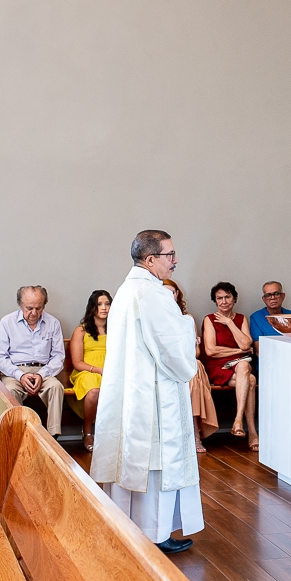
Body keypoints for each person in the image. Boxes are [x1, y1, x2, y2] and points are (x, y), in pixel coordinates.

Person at [90, 230, 203, 554]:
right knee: (156, 465)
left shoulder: (127, 290)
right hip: (154, 398)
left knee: (138, 462)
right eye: (170, 255)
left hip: (134, 393)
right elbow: (173, 352)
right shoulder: (153, 294)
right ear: (150, 259)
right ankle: (154, 534)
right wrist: (187, 324)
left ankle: (130, 529)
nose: (176, 261)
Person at [0, 286, 66, 437]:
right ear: (20, 305)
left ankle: (53, 438)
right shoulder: (7, 322)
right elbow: (0, 357)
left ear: (44, 305)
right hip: (14, 372)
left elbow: (58, 356)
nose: (34, 313)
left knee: (56, 387)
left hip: (44, 371)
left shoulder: (53, 323)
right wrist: (20, 375)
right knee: (10, 390)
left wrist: (42, 374)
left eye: (38, 308)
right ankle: (19, 435)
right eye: (29, 308)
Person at [203, 282, 258, 451]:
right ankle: (252, 432)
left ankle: (238, 420)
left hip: (240, 366)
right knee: (250, 380)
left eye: (227, 297)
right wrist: (238, 350)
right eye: (219, 298)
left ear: (234, 299)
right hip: (219, 367)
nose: (224, 301)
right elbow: (211, 351)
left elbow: (246, 342)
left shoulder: (241, 319)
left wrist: (229, 323)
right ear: (215, 300)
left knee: (244, 368)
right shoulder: (209, 319)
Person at [164, 279, 218, 452]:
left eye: (171, 292)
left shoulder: (187, 319)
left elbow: (196, 353)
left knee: (193, 373)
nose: (168, 296)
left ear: (177, 294)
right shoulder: (155, 319)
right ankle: (184, 434)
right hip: (165, 364)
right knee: (188, 374)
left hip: (187, 362)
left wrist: (188, 348)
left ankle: (194, 433)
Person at [68, 290, 111, 453]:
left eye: (107, 304)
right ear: (92, 307)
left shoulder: (116, 330)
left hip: (110, 371)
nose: (104, 308)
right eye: (99, 304)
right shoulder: (81, 331)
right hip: (87, 372)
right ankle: (87, 432)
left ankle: (110, 435)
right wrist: (98, 370)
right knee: (94, 390)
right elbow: (77, 362)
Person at [249, 281, 291, 358]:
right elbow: (259, 350)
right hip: (268, 361)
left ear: (283, 296)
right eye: (268, 295)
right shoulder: (256, 318)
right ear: (263, 299)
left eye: (276, 293)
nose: (272, 297)